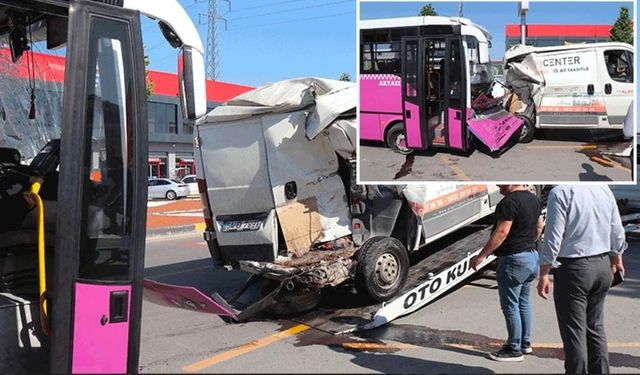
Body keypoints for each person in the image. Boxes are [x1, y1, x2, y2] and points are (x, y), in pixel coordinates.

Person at [537, 185, 627, 374]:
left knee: (574, 333)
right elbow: (616, 229)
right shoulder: (603, 189)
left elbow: (554, 237)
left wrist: (544, 271)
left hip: (574, 269)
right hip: (602, 264)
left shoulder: (560, 192)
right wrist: (617, 256)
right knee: (595, 327)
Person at [471, 185, 544, 362]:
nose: (497, 185)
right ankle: (525, 343)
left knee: (510, 305)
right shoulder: (533, 199)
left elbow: (502, 232)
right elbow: (540, 226)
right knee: (523, 302)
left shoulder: (508, 203)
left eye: (500, 183)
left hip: (513, 260)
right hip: (531, 257)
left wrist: (481, 256)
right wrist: (528, 243)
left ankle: (513, 348)